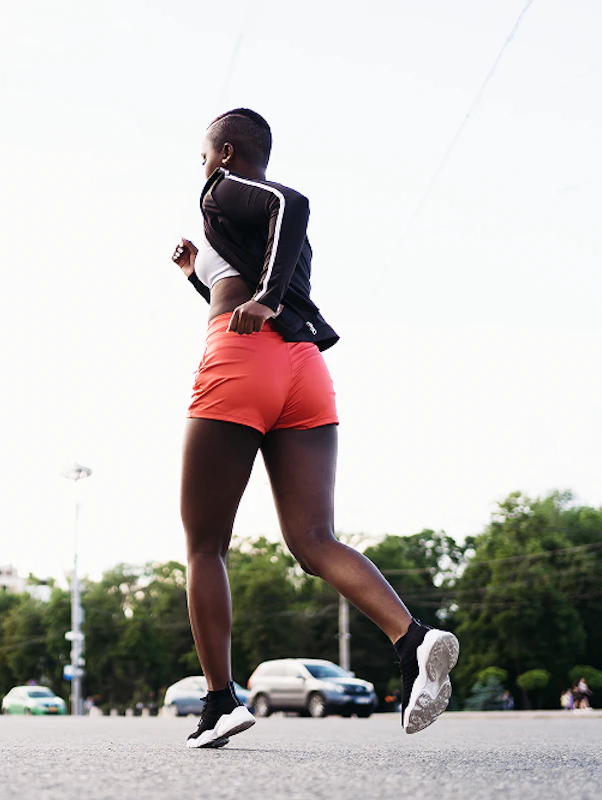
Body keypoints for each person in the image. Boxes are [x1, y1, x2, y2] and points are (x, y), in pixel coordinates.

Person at [170, 109, 460, 749]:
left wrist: (265, 298)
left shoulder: (225, 191)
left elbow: (291, 206)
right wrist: (199, 278)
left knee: (204, 545)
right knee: (313, 539)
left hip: (242, 361)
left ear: (224, 152)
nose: (202, 165)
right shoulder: (261, 232)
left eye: (205, 155)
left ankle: (220, 701)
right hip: (302, 370)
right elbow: (241, 289)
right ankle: (413, 639)